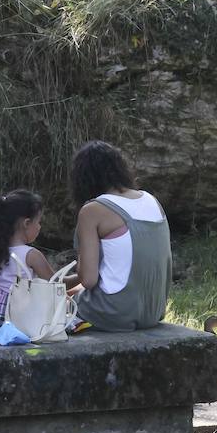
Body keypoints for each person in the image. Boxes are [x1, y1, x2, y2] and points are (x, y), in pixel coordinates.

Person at [67, 141, 172, 332]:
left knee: (56, 303)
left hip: (114, 314)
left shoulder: (92, 210)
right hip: (153, 312)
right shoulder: (151, 200)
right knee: (73, 293)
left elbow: (88, 280)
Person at [0, 189, 53, 326]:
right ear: (27, 223)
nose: (40, 227)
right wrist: (80, 279)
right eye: (38, 222)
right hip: (16, 313)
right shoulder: (31, 255)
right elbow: (55, 283)